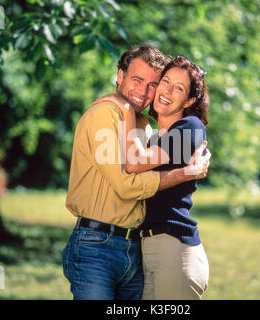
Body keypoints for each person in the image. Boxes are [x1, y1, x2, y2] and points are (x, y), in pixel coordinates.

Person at [62, 46, 211, 300]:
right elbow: (127, 184)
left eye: (153, 83)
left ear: (188, 101)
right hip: (98, 245)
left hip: (141, 249)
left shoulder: (155, 128)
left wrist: (130, 111)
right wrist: (184, 173)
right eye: (137, 80)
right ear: (120, 76)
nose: (144, 91)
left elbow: (138, 165)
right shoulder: (105, 115)